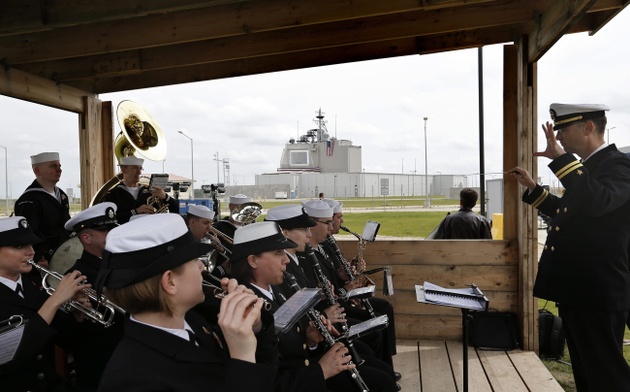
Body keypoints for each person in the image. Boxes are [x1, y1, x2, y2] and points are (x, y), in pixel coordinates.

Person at [510, 103, 630, 391]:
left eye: (562, 130)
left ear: (587, 128)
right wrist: (534, 189)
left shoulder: (619, 164)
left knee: (606, 374)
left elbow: (598, 202)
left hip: (597, 291)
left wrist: (561, 159)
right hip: (579, 290)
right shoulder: (589, 169)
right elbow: (570, 211)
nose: (558, 137)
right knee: (587, 372)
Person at [95, 214, 276, 392]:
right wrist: (242, 357)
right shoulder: (130, 379)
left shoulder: (193, 320)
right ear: (170, 281)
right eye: (195, 260)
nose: (202, 267)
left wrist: (253, 327)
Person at [229, 220, 397, 392]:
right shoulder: (246, 307)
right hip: (300, 380)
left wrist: (311, 341)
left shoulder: (276, 288)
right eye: (278, 253)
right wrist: (320, 369)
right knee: (382, 382)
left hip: (307, 369)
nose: (286, 259)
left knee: (382, 375)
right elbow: (272, 371)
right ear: (253, 261)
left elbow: (292, 343)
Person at [0, 216, 91, 391]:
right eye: (19, 246)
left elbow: (69, 343)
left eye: (31, 245)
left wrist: (77, 314)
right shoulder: (44, 291)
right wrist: (55, 300)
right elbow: (10, 358)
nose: (31, 252)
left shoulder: (33, 285)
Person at [320, 198, 399, 377]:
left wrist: (345, 274)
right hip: (334, 308)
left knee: (384, 309)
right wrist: (345, 289)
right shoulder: (317, 248)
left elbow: (332, 275)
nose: (342, 222)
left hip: (340, 300)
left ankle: (386, 363)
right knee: (378, 320)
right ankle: (382, 367)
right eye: (339, 217)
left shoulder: (328, 244)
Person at [63, 202, 123, 391]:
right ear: (87, 238)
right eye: (106, 231)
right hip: (102, 366)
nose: (113, 234)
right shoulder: (76, 275)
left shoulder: (120, 264)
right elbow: (78, 335)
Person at [14, 152, 70, 267]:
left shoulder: (62, 195)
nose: (59, 170)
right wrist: (38, 257)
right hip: (45, 261)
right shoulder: (29, 200)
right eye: (53, 166)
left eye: (59, 166)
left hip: (65, 254)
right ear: (37, 171)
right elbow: (29, 234)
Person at [102, 156, 178, 224]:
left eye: (140, 168)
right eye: (135, 168)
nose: (139, 172)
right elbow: (109, 219)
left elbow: (176, 209)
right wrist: (135, 211)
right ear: (124, 170)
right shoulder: (113, 194)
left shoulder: (149, 191)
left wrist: (165, 197)